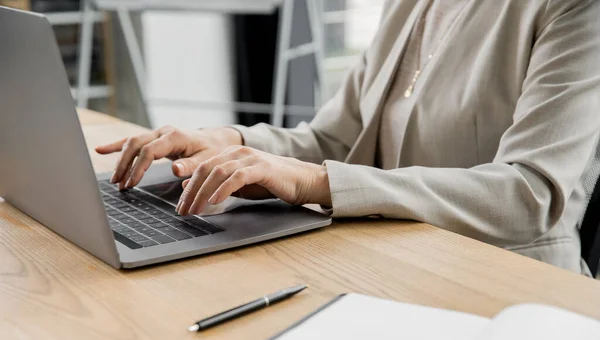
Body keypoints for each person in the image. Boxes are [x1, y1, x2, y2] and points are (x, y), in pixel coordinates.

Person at [96, 0, 600, 275]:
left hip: (507, 283)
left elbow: (528, 193)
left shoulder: (575, 9)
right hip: (393, 260)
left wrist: (319, 183)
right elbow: (336, 139)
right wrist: (227, 141)